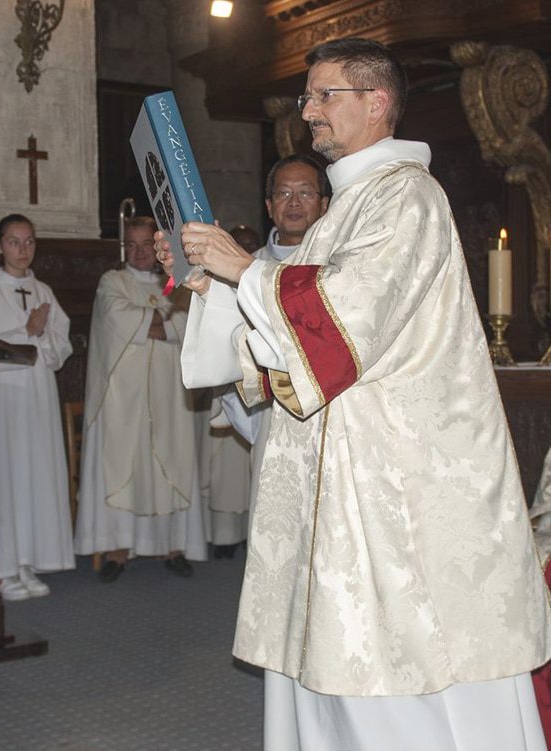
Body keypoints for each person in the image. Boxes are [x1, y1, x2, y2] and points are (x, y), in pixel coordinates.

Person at [167, 37, 550, 749]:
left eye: (324, 95)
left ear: (376, 104)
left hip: (391, 488)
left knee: (391, 660)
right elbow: (281, 336)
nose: (307, 110)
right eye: (308, 96)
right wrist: (215, 282)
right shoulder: (343, 210)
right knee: (332, 655)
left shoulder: (407, 198)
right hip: (341, 481)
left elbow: (342, 325)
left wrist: (244, 268)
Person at [73, 215, 204, 582]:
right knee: (124, 466)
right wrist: (162, 323)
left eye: (147, 243)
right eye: (131, 245)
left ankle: (174, 546)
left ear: (160, 245)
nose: (140, 251)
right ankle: (118, 547)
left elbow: (188, 324)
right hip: (121, 398)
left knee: (171, 461)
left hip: (169, 393)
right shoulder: (111, 282)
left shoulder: (178, 282)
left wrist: (154, 325)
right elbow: (118, 319)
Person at [0, 214, 74, 600]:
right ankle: (2, 569)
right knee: (8, 478)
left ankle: (26, 561)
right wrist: (26, 332)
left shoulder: (43, 289)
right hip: (6, 396)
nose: (22, 249)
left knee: (34, 476)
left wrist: (42, 337)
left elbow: (63, 347)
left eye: (29, 241)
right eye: (14, 242)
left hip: (39, 394)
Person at [216, 155, 330, 516]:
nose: (294, 203)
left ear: (325, 204)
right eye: (283, 193)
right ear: (269, 206)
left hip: (334, 424)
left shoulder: (340, 267)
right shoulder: (243, 270)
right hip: (269, 416)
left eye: (305, 193)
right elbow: (227, 350)